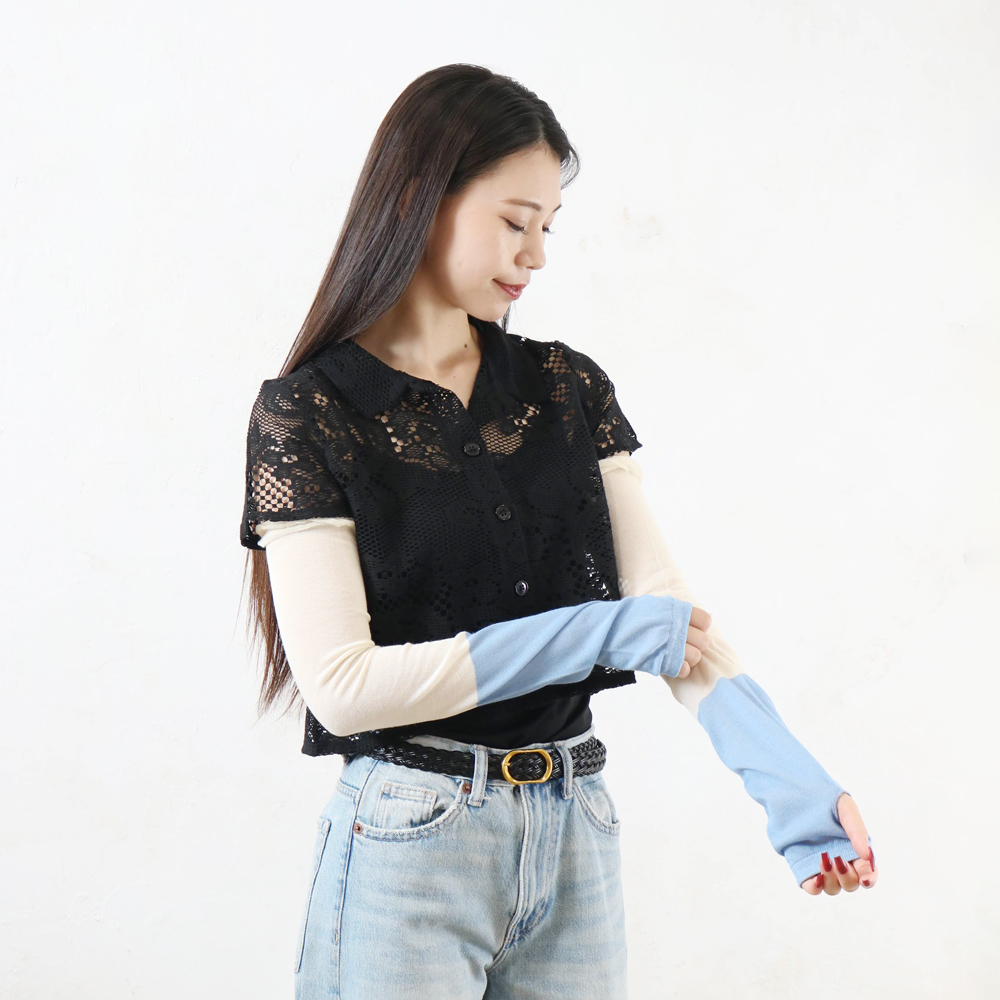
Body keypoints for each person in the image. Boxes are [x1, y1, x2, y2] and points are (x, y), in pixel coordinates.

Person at [238, 63, 878, 1000]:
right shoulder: (309, 412)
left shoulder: (565, 388)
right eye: (515, 220)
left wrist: (795, 787)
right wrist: (596, 632)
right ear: (419, 199)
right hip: (410, 838)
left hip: (577, 825)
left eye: (549, 227)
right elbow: (343, 690)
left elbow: (664, 612)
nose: (536, 255)